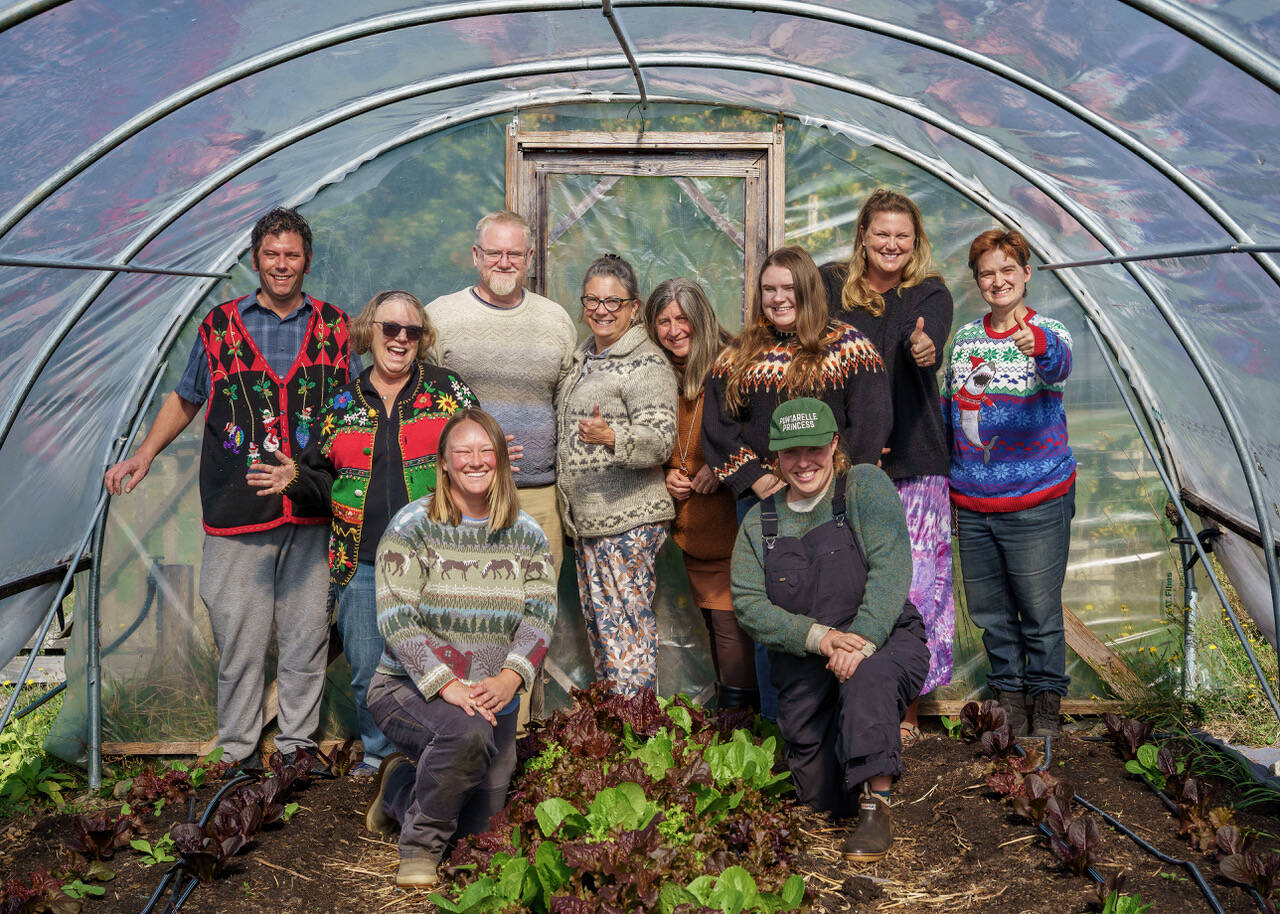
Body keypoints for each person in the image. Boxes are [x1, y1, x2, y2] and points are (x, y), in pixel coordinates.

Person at [103, 207, 357, 772]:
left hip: (313, 510)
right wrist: (145, 454)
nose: (282, 265)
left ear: (307, 261)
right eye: (272, 255)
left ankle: (295, 749)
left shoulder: (337, 327)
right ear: (254, 259)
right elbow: (188, 397)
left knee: (306, 636)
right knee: (238, 638)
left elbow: (353, 413)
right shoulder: (220, 326)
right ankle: (239, 753)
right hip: (238, 510)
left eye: (292, 255)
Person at [247, 290, 478, 777]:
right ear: (369, 332)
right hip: (362, 563)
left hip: (441, 559)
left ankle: (438, 756)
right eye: (389, 329)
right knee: (371, 671)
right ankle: (379, 757)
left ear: (423, 339)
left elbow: (478, 450)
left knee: (444, 662)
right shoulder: (341, 406)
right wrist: (295, 481)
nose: (400, 339)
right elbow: (322, 482)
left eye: (411, 332)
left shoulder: (449, 393)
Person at [364, 408, 556, 888]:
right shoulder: (413, 526)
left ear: (501, 460)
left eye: (485, 450)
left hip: (495, 695)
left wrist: (511, 676)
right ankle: (419, 850)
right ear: (444, 462)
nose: (475, 461)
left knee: (480, 835)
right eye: (463, 451)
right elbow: (395, 616)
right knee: (465, 734)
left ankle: (399, 789)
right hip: (408, 690)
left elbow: (540, 615)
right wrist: (446, 684)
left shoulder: (526, 533)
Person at [731, 398, 929, 862]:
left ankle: (877, 806)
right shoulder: (760, 522)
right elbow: (748, 603)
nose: (803, 462)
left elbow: (891, 568)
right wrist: (819, 637)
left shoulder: (863, 486)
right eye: (790, 453)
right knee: (821, 794)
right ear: (773, 458)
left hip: (882, 637)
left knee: (868, 678)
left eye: (814, 449)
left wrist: (858, 641)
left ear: (834, 443)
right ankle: (853, 768)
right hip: (811, 655)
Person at [702, 245, 890, 719]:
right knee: (773, 621)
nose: (778, 298)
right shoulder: (739, 353)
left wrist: (840, 484)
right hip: (767, 508)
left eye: (788, 288)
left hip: (834, 506)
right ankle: (778, 730)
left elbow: (870, 421)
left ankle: (843, 723)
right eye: (769, 289)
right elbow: (719, 428)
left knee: (841, 608)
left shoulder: (849, 347)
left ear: (808, 289)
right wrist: (756, 479)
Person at [820, 188, 955, 745]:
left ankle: (910, 701)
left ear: (915, 241)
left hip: (917, 465)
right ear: (863, 237)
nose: (892, 244)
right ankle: (856, 695)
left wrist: (924, 348)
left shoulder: (929, 293)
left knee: (920, 587)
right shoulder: (834, 290)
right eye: (882, 234)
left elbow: (931, 345)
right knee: (855, 580)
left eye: (903, 235)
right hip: (851, 463)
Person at [943, 228, 1076, 737]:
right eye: (986, 273)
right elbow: (953, 409)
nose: (997, 280)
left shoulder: (1050, 332)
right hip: (975, 503)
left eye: (1007, 270)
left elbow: (1059, 363)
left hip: (1035, 501)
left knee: (1040, 611)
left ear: (1025, 273)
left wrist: (1035, 342)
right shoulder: (965, 341)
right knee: (991, 613)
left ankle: (1045, 707)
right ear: (978, 281)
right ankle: (1010, 701)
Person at [426, 211, 576, 577]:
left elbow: (566, 402)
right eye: (494, 253)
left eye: (514, 254)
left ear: (529, 259)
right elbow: (421, 407)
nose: (504, 262)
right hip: (464, 494)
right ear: (476, 256)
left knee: (536, 608)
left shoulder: (556, 320)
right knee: (466, 603)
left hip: (539, 494)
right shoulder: (440, 318)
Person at [556, 254, 677, 697]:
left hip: (627, 522)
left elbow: (661, 437)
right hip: (590, 521)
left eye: (613, 301)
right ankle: (617, 736)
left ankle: (640, 736)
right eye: (593, 300)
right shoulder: (585, 356)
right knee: (605, 635)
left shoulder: (645, 363)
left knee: (626, 635)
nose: (601, 310)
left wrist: (612, 436)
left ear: (634, 306)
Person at [643, 277, 758, 709]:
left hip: (732, 523)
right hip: (691, 526)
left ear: (702, 319)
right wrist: (666, 473)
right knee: (714, 623)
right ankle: (737, 722)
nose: (674, 330)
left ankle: (743, 721)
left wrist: (723, 463)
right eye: (664, 321)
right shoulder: (658, 374)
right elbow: (655, 438)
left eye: (682, 319)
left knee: (732, 623)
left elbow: (758, 431)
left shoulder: (734, 365)